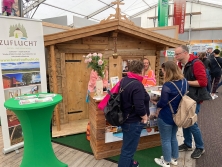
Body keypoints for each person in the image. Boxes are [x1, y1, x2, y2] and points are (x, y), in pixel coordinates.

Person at [153, 61, 187, 167]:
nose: (162, 73)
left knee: (165, 139)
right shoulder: (184, 81)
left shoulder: (167, 85)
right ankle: (174, 158)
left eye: (163, 71)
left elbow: (162, 103)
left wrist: (155, 102)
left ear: (167, 71)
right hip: (178, 115)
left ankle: (166, 161)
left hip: (166, 115)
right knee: (173, 137)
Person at [175, 45, 207, 159]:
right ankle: (187, 143)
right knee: (184, 120)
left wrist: (185, 82)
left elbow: (203, 82)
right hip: (185, 97)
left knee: (192, 123)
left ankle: (200, 147)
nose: (175, 56)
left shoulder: (196, 63)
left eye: (177, 54)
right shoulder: (180, 64)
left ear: (184, 53)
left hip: (194, 98)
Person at [118, 60, 149, 167]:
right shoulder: (137, 85)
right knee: (128, 151)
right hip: (133, 121)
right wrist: (145, 117)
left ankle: (130, 164)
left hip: (126, 119)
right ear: (141, 70)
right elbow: (139, 106)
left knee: (127, 147)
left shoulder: (125, 80)